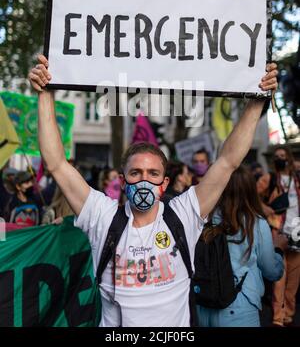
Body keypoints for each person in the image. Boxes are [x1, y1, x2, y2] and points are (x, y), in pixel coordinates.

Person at [28, 54, 278, 327]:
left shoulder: (183, 214)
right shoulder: (102, 216)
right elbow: (56, 163)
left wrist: (257, 100)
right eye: (135, 173)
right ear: (123, 182)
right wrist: (45, 94)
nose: (144, 181)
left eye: (153, 174)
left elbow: (228, 161)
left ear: (165, 183)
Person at [197, 165, 285, 327]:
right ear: (249, 190)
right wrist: (278, 249)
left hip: (202, 307)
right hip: (239, 306)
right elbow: (271, 270)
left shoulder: (201, 218)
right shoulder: (254, 222)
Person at [257, 146, 300, 327]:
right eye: (276, 156)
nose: (280, 159)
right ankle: (278, 317)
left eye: (283, 156)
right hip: (278, 231)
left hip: (297, 233)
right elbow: (252, 195)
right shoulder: (269, 179)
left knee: (293, 278)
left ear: (289, 158)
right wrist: (265, 208)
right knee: (279, 277)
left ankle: (289, 313)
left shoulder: (296, 179)